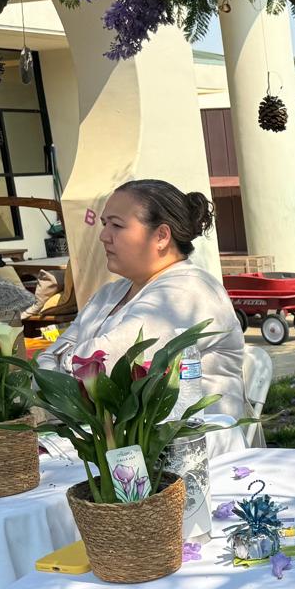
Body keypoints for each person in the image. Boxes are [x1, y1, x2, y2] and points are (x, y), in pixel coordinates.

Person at [38, 181, 246, 424]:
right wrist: (71, 365)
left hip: (190, 450)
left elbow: (107, 368)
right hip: (113, 447)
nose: (104, 236)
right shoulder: (109, 294)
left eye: (117, 225)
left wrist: (62, 361)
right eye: (105, 224)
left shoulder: (188, 292)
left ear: (161, 236)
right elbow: (44, 377)